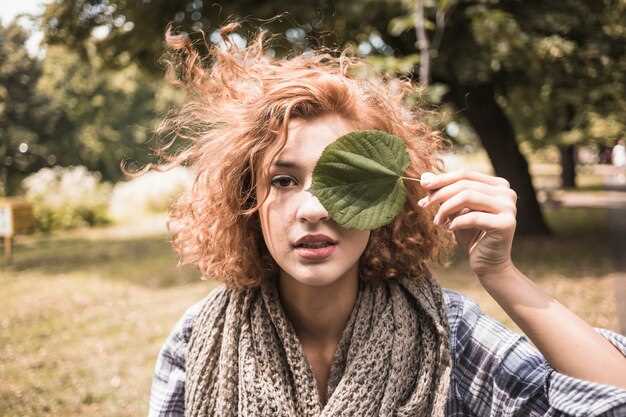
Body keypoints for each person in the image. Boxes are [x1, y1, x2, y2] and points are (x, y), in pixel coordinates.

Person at [147, 22, 626, 417]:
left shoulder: (445, 334)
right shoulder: (199, 340)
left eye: (346, 179)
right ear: (248, 200)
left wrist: (502, 275)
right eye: (284, 181)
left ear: (392, 198)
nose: (314, 209)